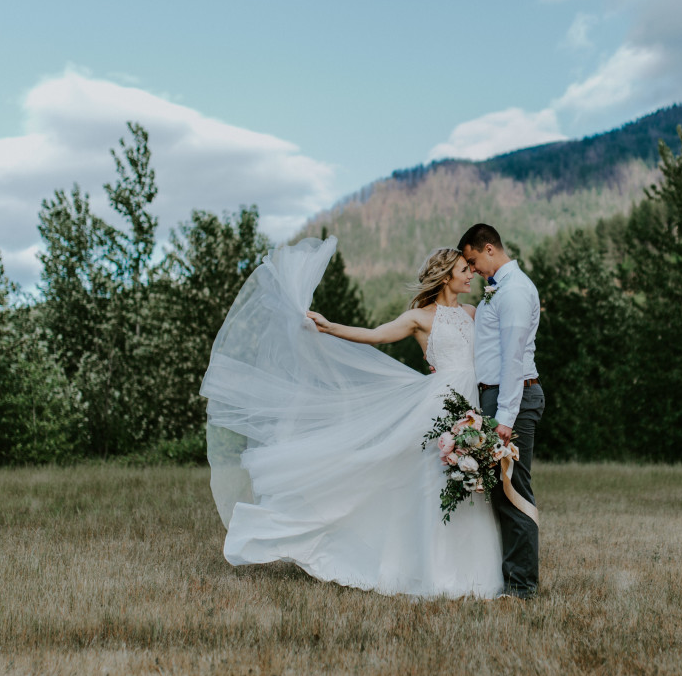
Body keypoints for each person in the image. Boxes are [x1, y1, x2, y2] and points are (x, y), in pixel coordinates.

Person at [200, 237, 504, 598]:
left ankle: (475, 574)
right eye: (463, 269)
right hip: (439, 407)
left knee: (471, 485)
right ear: (444, 277)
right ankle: (432, 573)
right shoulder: (419, 318)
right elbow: (374, 335)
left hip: (473, 404)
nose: (471, 274)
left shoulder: (473, 313)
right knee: (430, 481)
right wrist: (330, 327)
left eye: (471, 269)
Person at [458, 223, 544, 599]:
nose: (473, 270)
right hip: (498, 398)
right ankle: (513, 578)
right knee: (500, 492)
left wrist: (505, 419)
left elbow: (512, 361)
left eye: (474, 261)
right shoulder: (499, 291)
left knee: (513, 490)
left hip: (515, 400)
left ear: (489, 248)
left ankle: (522, 587)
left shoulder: (515, 292)